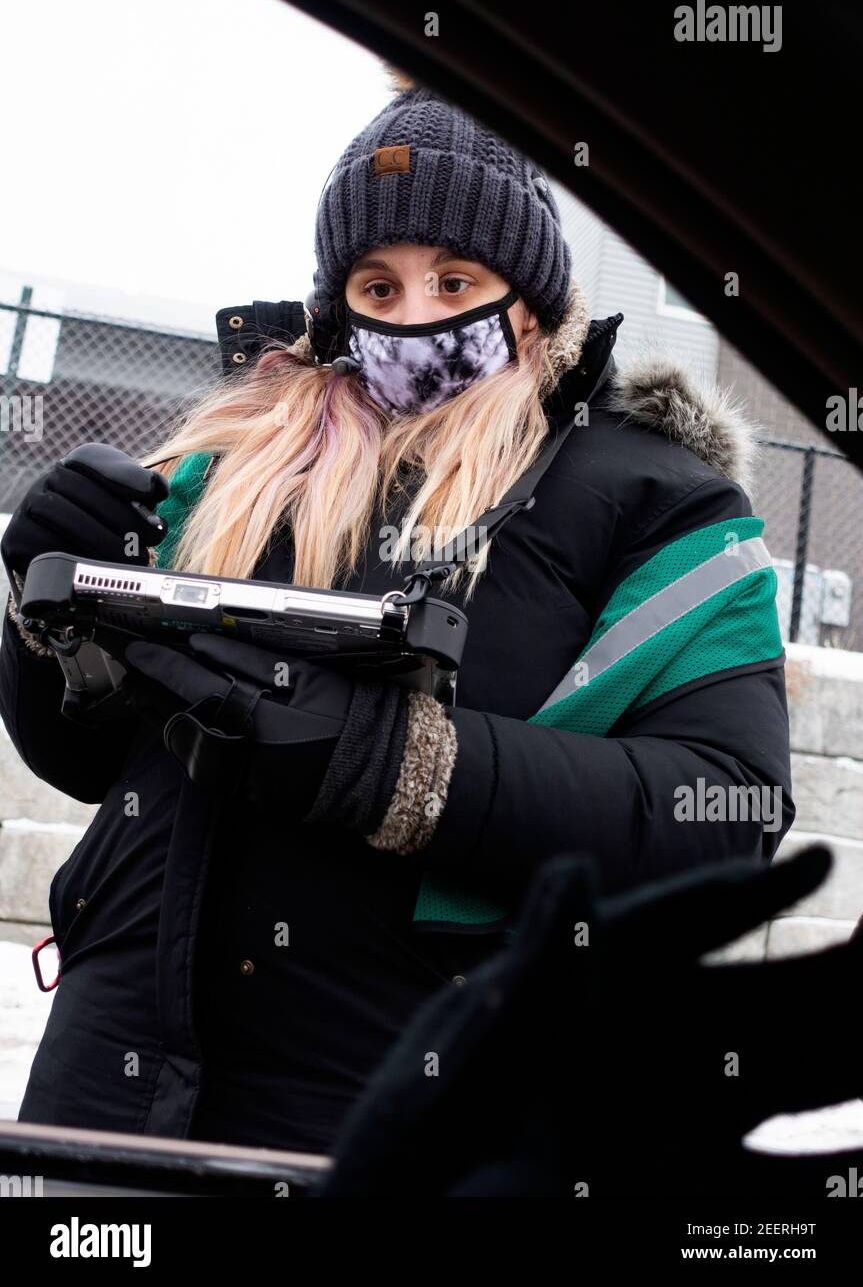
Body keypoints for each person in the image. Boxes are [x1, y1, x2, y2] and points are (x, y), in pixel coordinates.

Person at [0, 65, 794, 1157]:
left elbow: (725, 809)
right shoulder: (230, 463)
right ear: (337, 303)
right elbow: (84, 756)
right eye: (377, 288)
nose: (413, 318)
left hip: (392, 1110)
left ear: (530, 299)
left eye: (453, 277)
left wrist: (403, 767)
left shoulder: (654, 498)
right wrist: (45, 604)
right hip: (108, 1087)